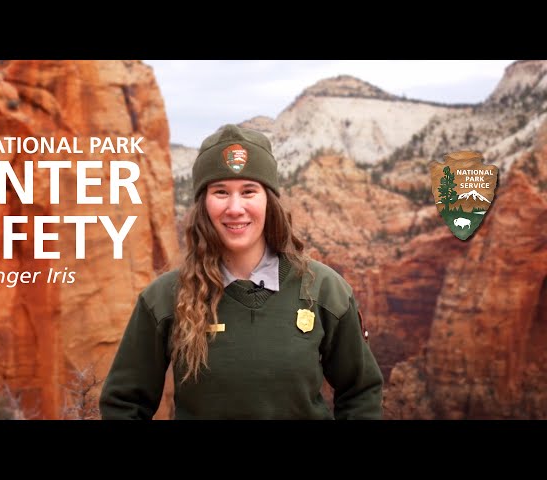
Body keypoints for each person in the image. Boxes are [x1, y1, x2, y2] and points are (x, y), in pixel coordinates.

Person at [99, 124, 383, 420]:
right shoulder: (163, 299)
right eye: (220, 192)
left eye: (249, 191)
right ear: (203, 204)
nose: (235, 208)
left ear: (269, 201)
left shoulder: (324, 290)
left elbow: (361, 392)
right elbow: (123, 404)